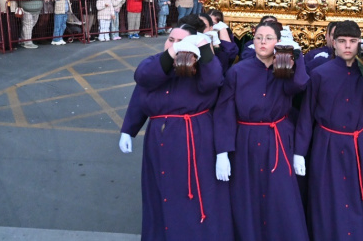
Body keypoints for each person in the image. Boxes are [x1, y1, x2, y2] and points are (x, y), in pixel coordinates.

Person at [119, 25, 233, 240]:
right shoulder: (155, 64)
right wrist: (129, 130)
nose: (173, 44)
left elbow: (213, 81)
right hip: (159, 139)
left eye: (181, 41)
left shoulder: (202, 67)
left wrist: (203, 47)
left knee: (195, 195)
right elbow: (142, 85)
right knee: (160, 191)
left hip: (195, 138)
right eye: (171, 39)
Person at [294, 20, 363, 241]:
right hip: (327, 143)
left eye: (353, 41)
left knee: (359, 194)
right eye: (342, 41)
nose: (347, 46)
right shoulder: (319, 74)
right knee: (328, 196)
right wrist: (299, 152)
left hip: (358, 144)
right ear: (333, 42)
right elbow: (307, 114)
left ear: (359, 43)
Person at [214, 20, 309, 241]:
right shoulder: (237, 72)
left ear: (278, 42)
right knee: (247, 196)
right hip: (245, 140)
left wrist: (297, 58)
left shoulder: (284, 70)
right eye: (258, 38)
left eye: (268, 38)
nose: (262, 42)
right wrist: (222, 152)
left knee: (281, 197)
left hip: (278, 140)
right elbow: (224, 113)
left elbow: (299, 85)